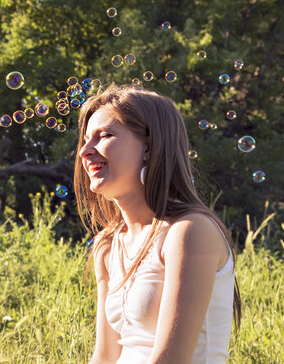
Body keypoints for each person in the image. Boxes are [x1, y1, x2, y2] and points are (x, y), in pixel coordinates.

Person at [74, 83, 242, 363]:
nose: (85, 152)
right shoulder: (108, 244)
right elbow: (104, 357)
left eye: (103, 136)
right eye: (85, 140)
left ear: (150, 148)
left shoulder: (189, 231)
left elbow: (171, 360)